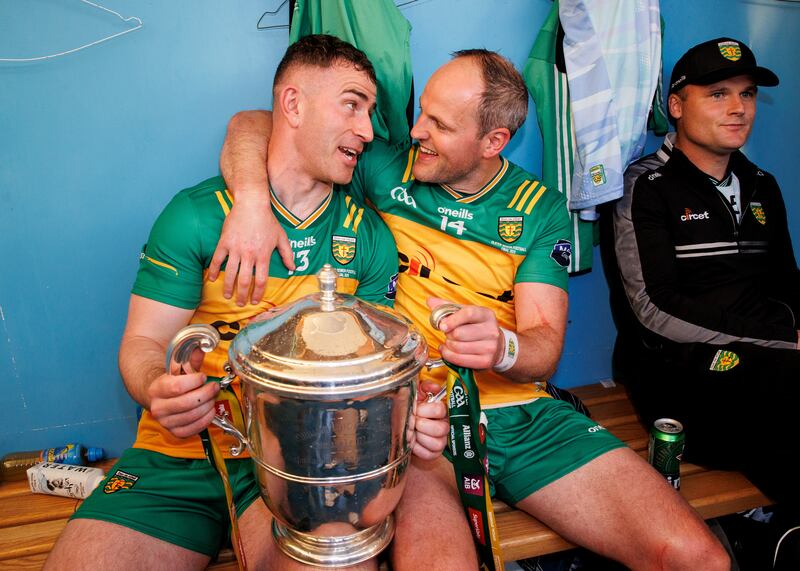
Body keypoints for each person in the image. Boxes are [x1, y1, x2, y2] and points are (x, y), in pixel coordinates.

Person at [216, 48, 730, 570]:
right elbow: (254, 124)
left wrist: (503, 346)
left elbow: (543, 347)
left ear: (493, 142)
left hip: (521, 416)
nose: (415, 131)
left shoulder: (539, 208)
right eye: (423, 114)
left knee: (697, 558)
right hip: (418, 425)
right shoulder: (387, 167)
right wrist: (252, 200)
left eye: (438, 124)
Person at [45, 35, 452, 571]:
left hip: (303, 461)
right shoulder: (195, 215)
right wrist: (158, 389)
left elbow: (380, 376)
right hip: (182, 451)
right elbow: (143, 343)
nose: (367, 130)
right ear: (293, 105)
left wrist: (416, 416)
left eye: (371, 112)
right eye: (352, 104)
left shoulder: (369, 235)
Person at [603, 35, 800, 549]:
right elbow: (650, 308)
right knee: (781, 382)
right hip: (673, 368)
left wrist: (789, 331)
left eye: (748, 93)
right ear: (676, 105)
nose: (739, 108)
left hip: (769, 358)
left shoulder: (763, 184)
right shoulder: (644, 187)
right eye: (718, 93)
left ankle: (776, 533)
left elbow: (786, 284)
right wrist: (782, 338)